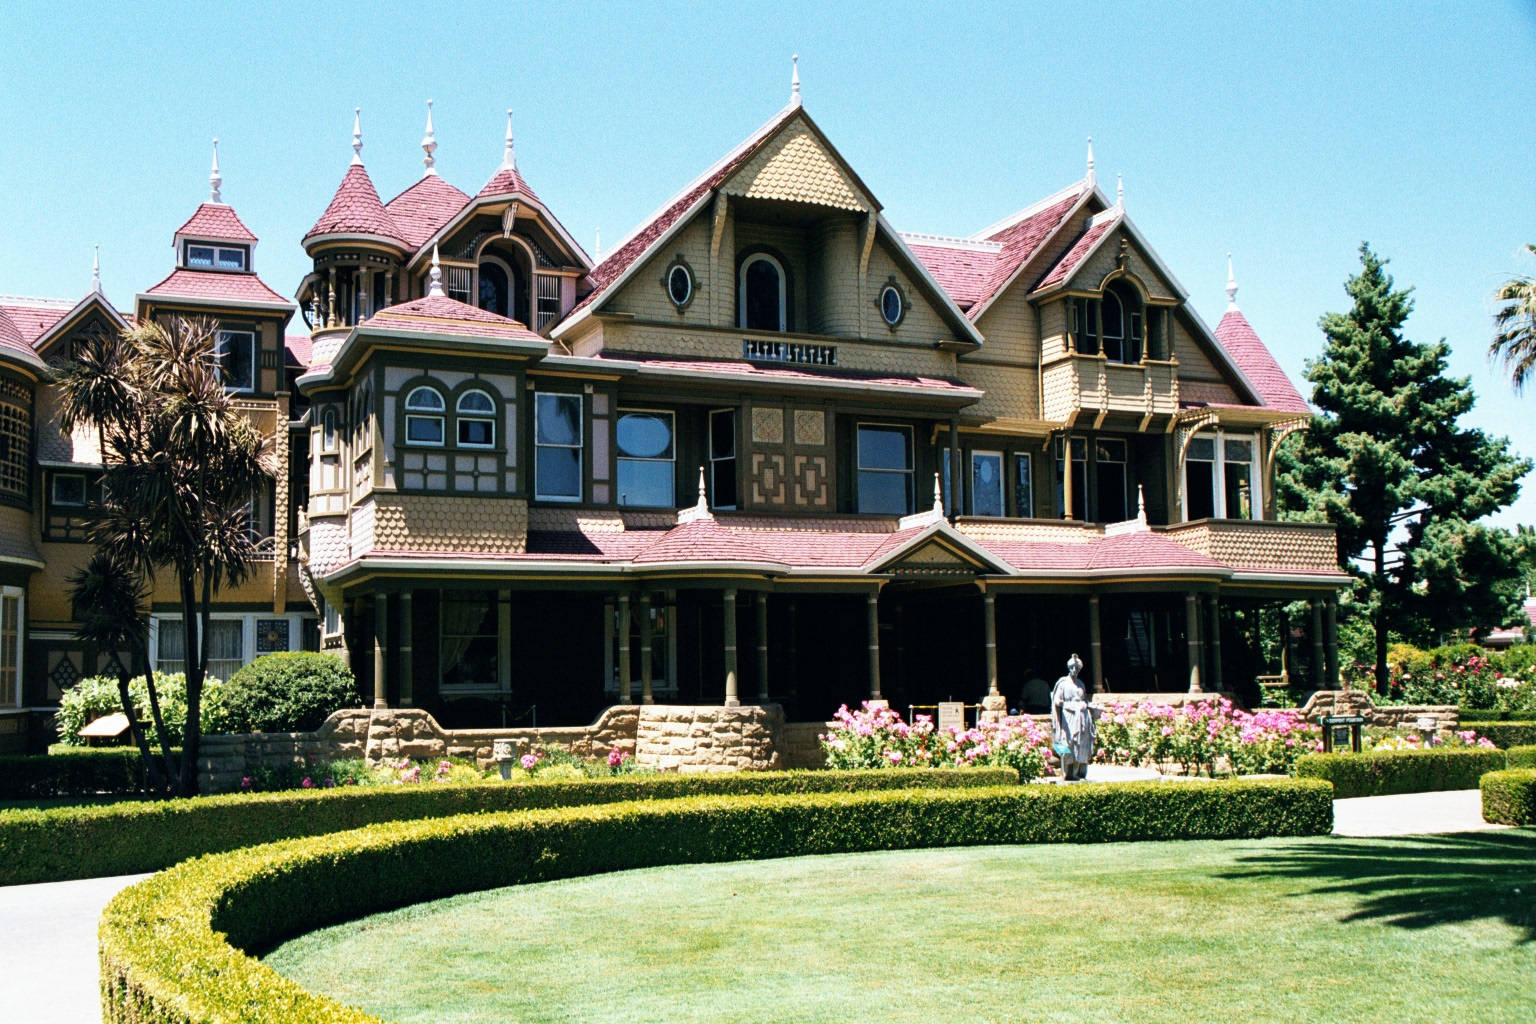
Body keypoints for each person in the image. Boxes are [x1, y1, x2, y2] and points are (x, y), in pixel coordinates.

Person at [1051, 653, 1099, 781]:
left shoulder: (1080, 684)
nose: (1075, 671)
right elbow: (1057, 700)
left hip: (1082, 717)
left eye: (1077, 669)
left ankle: (1078, 772)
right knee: (1070, 743)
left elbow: (1084, 699)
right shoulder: (1063, 683)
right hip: (1069, 718)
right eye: (1073, 668)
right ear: (1069, 668)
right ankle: (1068, 773)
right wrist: (1071, 705)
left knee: (1081, 744)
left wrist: (1090, 706)